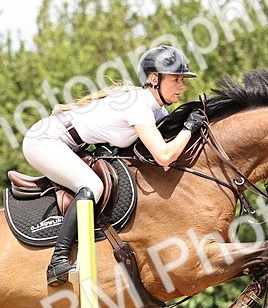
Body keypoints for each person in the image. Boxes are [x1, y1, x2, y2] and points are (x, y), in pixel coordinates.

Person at [22, 45, 210, 287]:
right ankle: (57, 261)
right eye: (176, 79)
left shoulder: (156, 110)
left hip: (70, 143)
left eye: (182, 80)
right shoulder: (139, 105)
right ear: (154, 79)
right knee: (92, 185)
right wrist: (188, 128)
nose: (182, 85)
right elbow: (164, 157)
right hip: (45, 140)